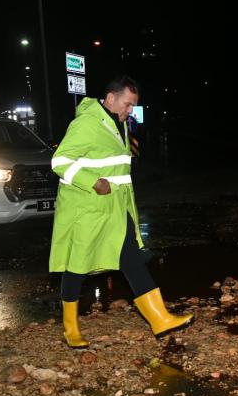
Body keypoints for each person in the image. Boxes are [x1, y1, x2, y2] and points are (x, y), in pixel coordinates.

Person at [49, 75, 193, 348]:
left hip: (117, 208)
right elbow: (60, 160)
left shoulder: (119, 125)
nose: (130, 110)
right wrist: (92, 181)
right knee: (76, 266)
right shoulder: (87, 123)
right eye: (127, 104)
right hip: (88, 209)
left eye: (133, 106)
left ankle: (160, 319)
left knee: (131, 258)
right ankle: (71, 328)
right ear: (111, 98)